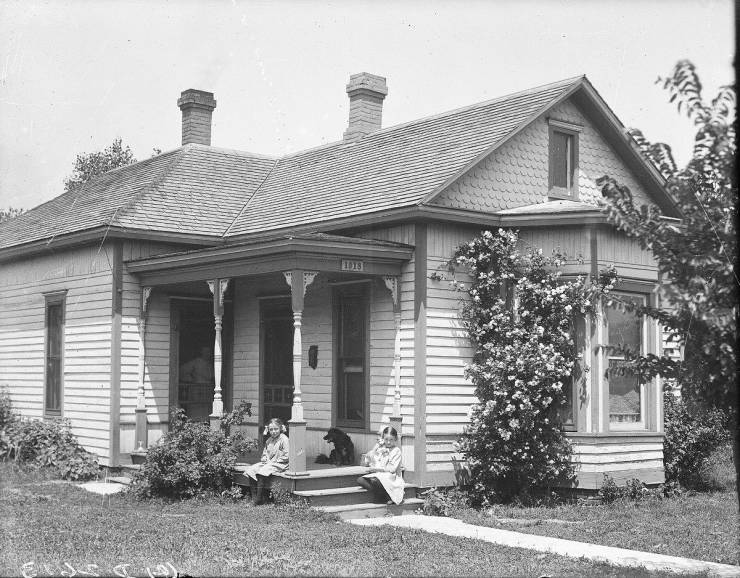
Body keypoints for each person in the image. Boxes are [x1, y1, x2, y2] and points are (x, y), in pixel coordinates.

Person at [244, 418, 289, 505]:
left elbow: (286, 456)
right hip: (269, 463)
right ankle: (254, 498)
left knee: (262, 472)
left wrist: (274, 461)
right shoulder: (269, 440)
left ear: (280, 429)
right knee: (251, 470)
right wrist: (265, 459)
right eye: (271, 429)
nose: (274, 432)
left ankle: (258, 499)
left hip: (280, 464)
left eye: (276, 429)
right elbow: (265, 453)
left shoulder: (284, 439)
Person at [356, 426, 404, 505]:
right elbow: (367, 461)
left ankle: (384, 495)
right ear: (382, 439)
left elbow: (392, 469)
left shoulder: (396, 451)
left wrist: (377, 470)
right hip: (378, 474)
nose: (388, 442)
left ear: (395, 439)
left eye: (391, 440)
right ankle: (383, 495)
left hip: (391, 476)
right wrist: (375, 448)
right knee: (360, 480)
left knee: (377, 481)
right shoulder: (381, 448)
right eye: (386, 439)